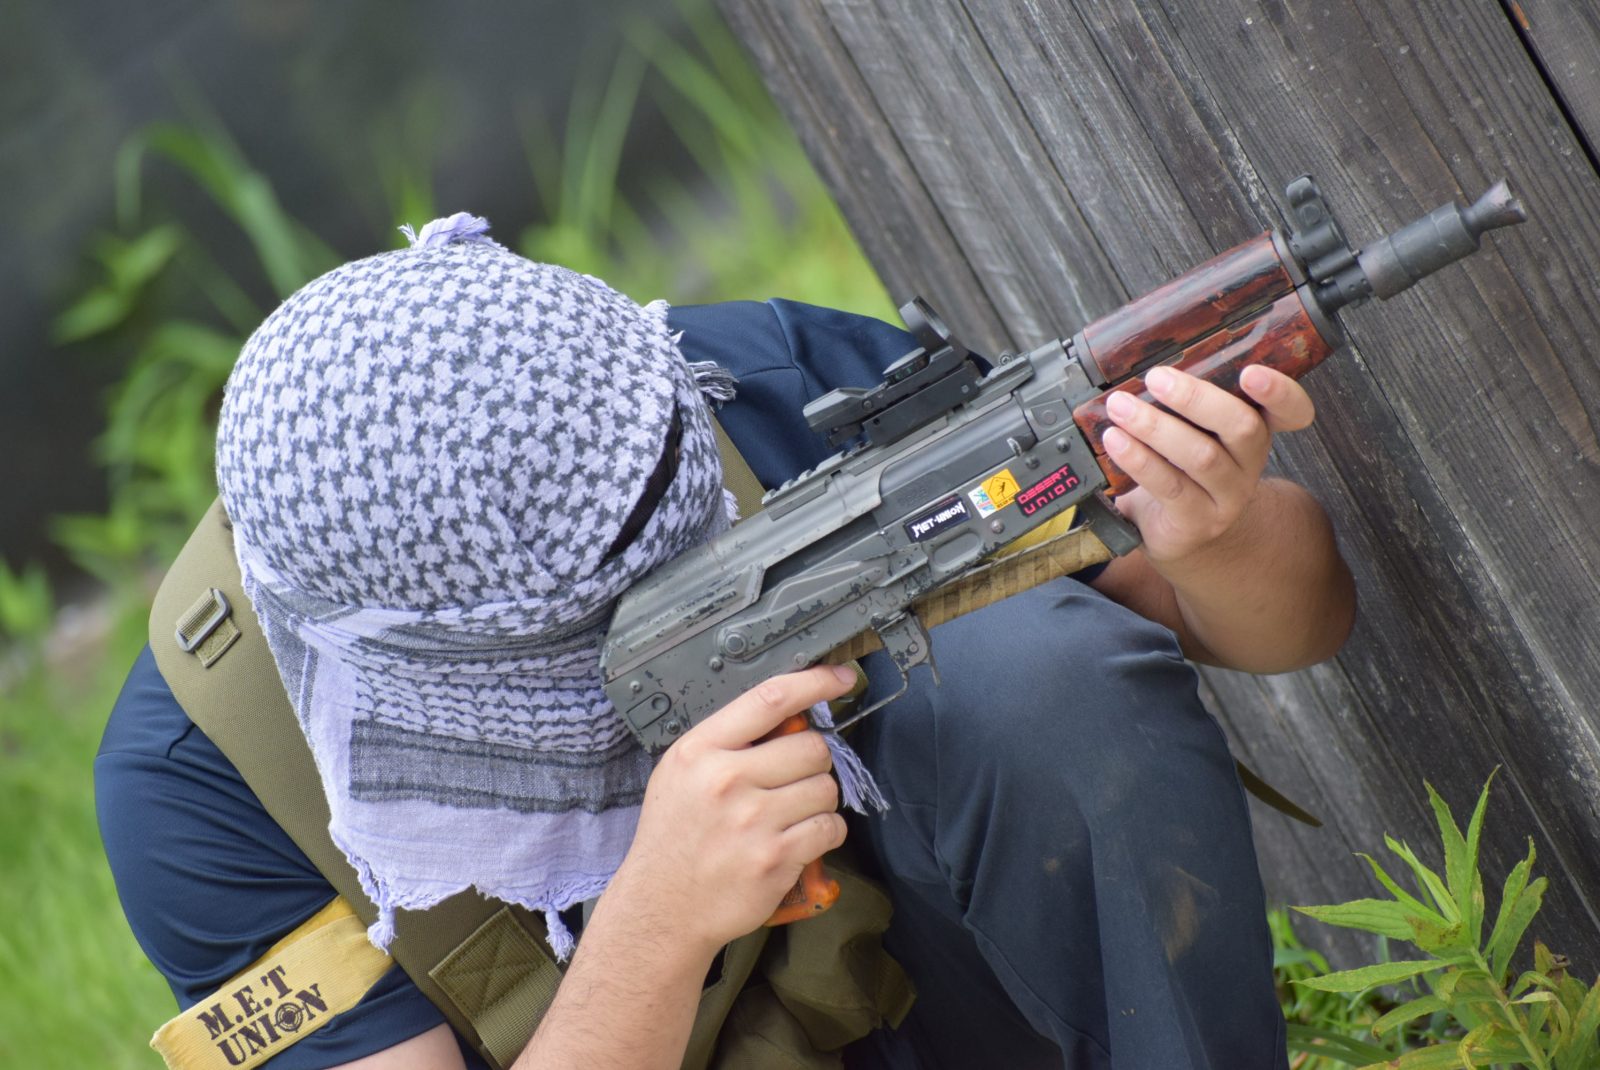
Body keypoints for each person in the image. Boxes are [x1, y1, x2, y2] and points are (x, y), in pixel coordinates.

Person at [96, 214, 1354, 1069]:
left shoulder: (736, 378)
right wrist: (657, 922)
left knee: (1041, 677)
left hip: (961, 987)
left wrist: (1213, 531)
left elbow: (1293, 618)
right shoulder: (206, 781)